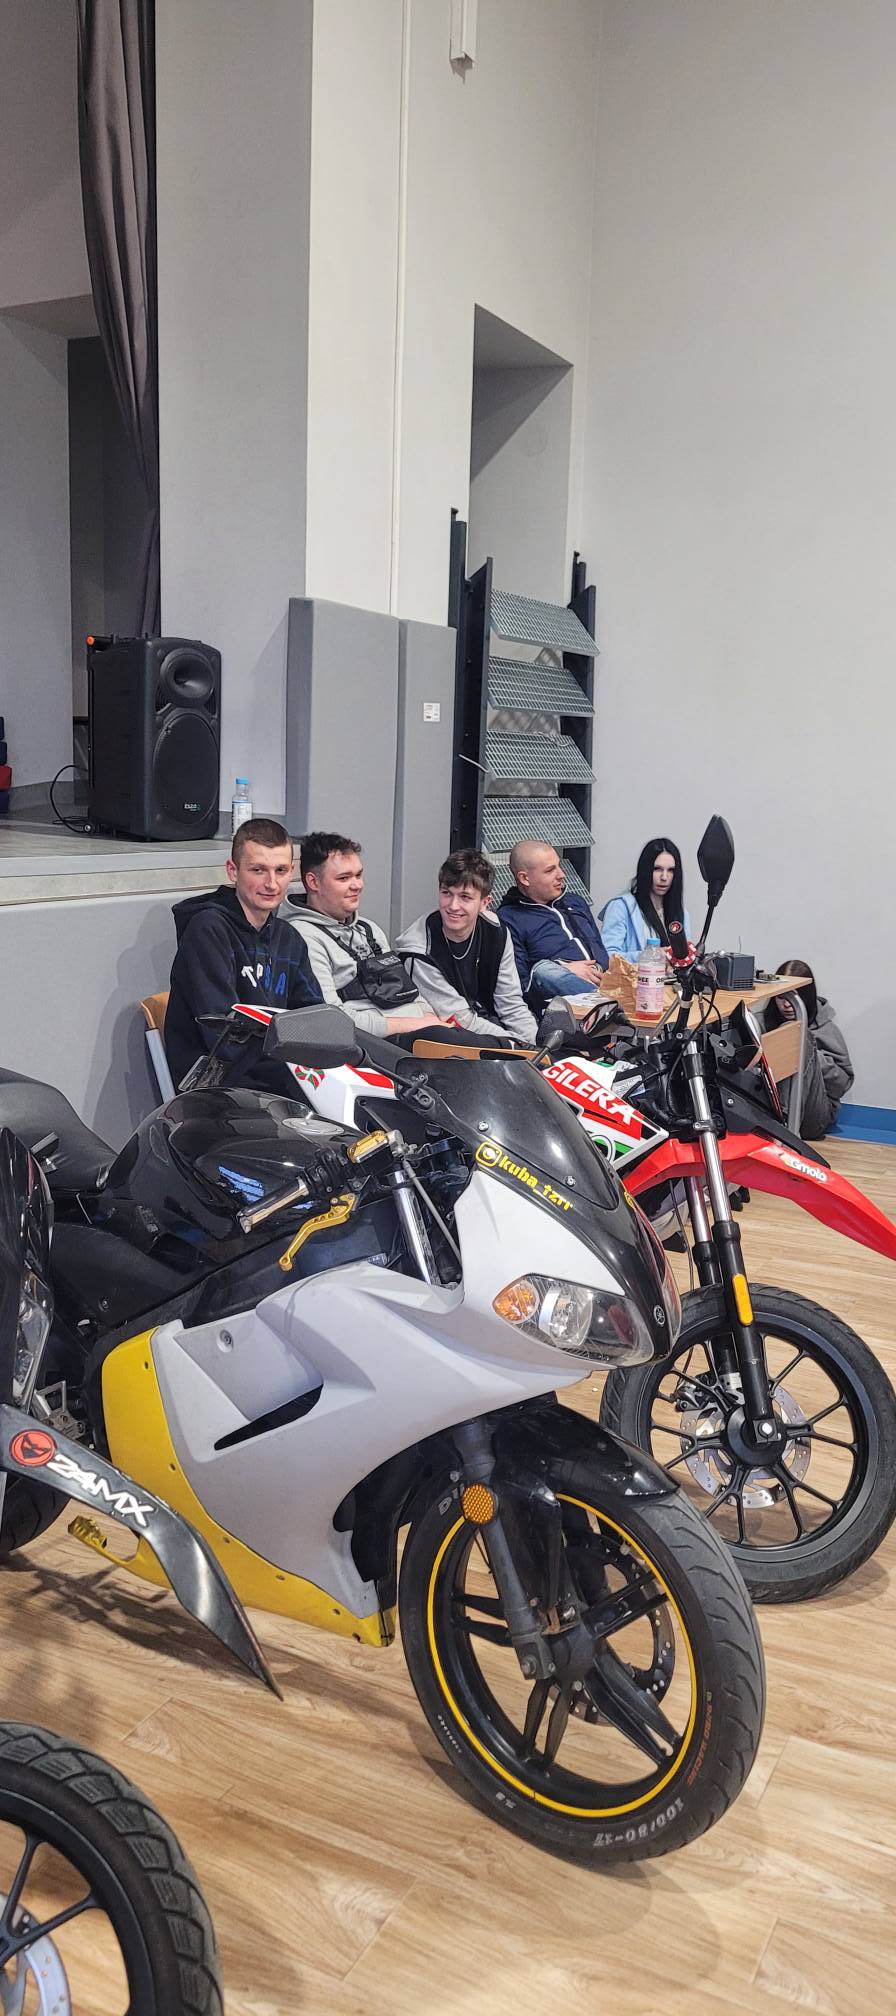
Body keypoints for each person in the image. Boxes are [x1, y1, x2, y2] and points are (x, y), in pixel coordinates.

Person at [165, 818, 320, 1092]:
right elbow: (223, 1036)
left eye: (281, 870)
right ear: (233, 871)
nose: (271, 883)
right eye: (258, 870)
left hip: (278, 1076)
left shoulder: (290, 939)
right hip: (218, 1090)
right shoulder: (207, 929)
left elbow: (312, 1017)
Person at [284, 832, 476, 1048]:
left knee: (494, 1045)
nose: (357, 885)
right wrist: (416, 1025)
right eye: (344, 878)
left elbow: (409, 991)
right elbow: (332, 1019)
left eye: (358, 875)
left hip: (423, 1032)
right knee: (473, 1049)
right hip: (374, 1047)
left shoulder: (369, 929)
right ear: (313, 882)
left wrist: (429, 1018)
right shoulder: (303, 936)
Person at [395, 849, 538, 1046]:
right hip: (446, 1038)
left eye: (465, 897)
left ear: (484, 903)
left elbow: (511, 1004)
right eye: (446, 893)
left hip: (490, 1028)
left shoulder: (497, 932)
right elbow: (458, 1019)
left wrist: (536, 1046)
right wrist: (519, 1046)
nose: (453, 906)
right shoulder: (418, 950)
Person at [497, 840, 608, 1011]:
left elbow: (600, 950)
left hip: (601, 980)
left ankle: (607, 1004)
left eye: (559, 866)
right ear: (524, 878)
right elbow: (520, 981)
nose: (561, 874)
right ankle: (610, 1007)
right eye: (550, 870)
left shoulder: (575, 902)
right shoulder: (509, 918)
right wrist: (564, 970)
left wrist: (598, 970)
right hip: (555, 1002)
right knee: (543, 970)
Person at [765, 959, 855, 1139]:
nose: (787, 1004)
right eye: (782, 997)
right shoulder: (762, 1021)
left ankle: (783, 1128)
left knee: (796, 1034)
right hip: (767, 1105)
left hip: (814, 1115)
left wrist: (809, 1056)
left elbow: (842, 1084)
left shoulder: (825, 1028)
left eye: (795, 997)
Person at [600, 838, 692, 959]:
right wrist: (651, 956)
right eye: (657, 869)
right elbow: (607, 956)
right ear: (646, 869)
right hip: (635, 972)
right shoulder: (621, 907)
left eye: (671, 870)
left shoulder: (681, 913)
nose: (664, 877)